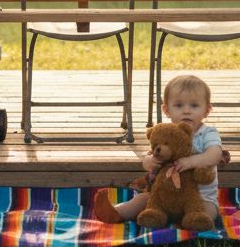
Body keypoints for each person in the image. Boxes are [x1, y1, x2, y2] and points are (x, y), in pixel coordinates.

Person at [93, 75, 226, 223]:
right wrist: (149, 162)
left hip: (200, 198)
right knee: (143, 199)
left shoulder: (208, 133)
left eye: (194, 106)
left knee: (207, 211)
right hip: (164, 197)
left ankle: (195, 221)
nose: (186, 111)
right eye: (179, 105)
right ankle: (117, 212)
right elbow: (153, 154)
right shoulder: (165, 133)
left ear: (207, 110)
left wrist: (190, 161)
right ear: (166, 109)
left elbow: (214, 154)